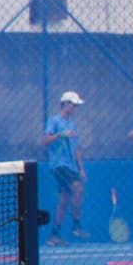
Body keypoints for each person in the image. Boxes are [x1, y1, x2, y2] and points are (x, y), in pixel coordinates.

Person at [43, 91, 87, 243]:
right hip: (59, 165)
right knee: (78, 189)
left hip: (71, 166)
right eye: (73, 105)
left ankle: (54, 235)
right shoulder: (54, 121)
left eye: (76, 106)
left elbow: (76, 149)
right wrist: (61, 134)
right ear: (66, 104)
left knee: (64, 200)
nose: (75, 108)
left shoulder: (72, 125)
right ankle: (76, 225)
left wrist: (81, 168)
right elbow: (45, 141)